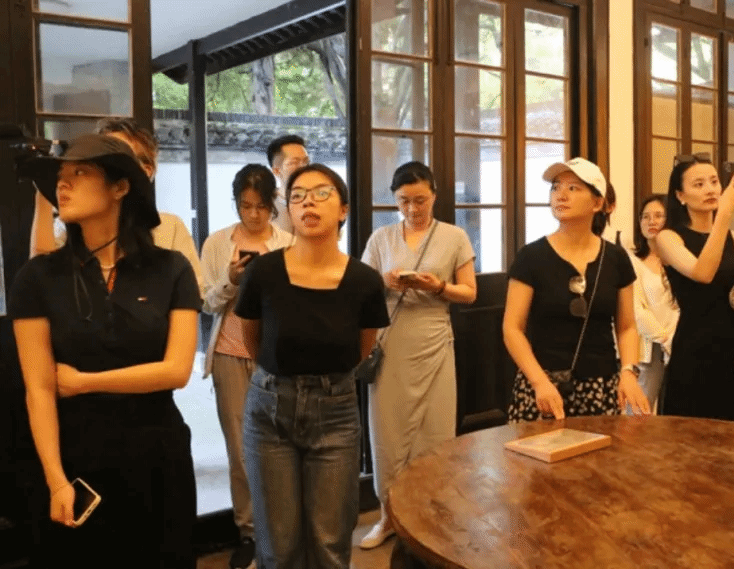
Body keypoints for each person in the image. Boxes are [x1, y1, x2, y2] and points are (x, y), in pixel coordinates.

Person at [9, 133, 201, 567]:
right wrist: (56, 480)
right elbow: (39, 389)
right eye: (60, 176)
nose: (63, 184)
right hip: (75, 456)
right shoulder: (38, 278)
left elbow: (176, 371)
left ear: (120, 187)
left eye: (80, 173)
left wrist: (83, 381)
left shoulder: (171, 269)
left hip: (158, 454)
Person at [234, 163, 388, 569]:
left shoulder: (364, 280)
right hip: (269, 410)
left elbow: (362, 348)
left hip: (335, 411)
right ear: (288, 210)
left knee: (330, 544)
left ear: (343, 209)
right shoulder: (263, 271)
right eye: (298, 196)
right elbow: (253, 340)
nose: (308, 203)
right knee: (277, 547)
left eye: (321, 193)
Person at [359, 161, 478, 549]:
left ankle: (432, 514)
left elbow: (469, 293)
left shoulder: (455, 236)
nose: (412, 208)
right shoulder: (381, 238)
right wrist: (384, 281)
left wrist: (437, 286)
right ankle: (388, 516)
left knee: (435, 432)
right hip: (391, 343)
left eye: (420, 200)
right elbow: (359, 288)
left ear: (435, 196)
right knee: (387, 433)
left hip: (434, 342)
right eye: (404, 201)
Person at [503, 157, 650, 422]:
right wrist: (538, 381)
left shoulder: (616, 258)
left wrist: (628, 372)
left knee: (599, 450)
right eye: (556, 187)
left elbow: (627, 327)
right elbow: (512, 329)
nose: (561, 195)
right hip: (542, 385)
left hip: (601, 384)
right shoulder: (531, 257)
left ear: (597, 203)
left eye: (573, 188)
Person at [199, 164, 293, 568]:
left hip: (275, 356)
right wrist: (231, 280)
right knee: (240, 450)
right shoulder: (217, 243)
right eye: (245, 206)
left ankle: (281, 531)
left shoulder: (289, 242)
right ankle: (249, 531)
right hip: (230, 353)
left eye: (260, 206)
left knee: (281, 444)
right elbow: (207, 302)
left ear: (273, 204)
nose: (253, 215)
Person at [29, 118, 203, 289]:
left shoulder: (170, 228)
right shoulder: (71, 229)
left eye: (116, 156)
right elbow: (40, 281)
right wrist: (46, 188)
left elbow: (193, 292)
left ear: (144, 171)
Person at [656, 153, 734, 424]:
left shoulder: (732, 238)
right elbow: (702, 273)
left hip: (732, 348)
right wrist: (724, 215)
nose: (710, 189)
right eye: (699, 184)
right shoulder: (668, 237)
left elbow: (731, 289)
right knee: (690, 433)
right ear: (680, 195)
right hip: (694, 347)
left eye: (714, 181)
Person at [629, 195, 679, 413]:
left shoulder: (680, 260)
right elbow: (636, 311)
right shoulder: (632, 261)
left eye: (658, 216)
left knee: (673, 415)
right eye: (645, 217)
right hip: (650, 348)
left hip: (679, 345)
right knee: (638, 413)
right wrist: (664, 338)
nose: (651, 221)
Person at [265, 134, 310, 233]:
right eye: (294, 162)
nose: (303, 167)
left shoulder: (320, 201)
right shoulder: (265, 205)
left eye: (306, 161)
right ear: (277, 171)